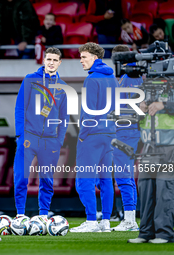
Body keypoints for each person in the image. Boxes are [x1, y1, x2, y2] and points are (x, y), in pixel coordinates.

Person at [14, 47, 69, 220]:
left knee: (47, 180)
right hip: (29, 137)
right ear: (44, 60)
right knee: (21, 177)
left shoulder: (63, 88)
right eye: (49, 59)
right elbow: (20, 108)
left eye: (55, 60)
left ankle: (43, 215)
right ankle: (20, 214)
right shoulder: (30, 79)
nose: (51, 63)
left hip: (50, 141)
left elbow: (64, 118)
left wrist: (59, 141)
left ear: (60, 63)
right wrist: (20, 136)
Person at [70, 42, 118, 233]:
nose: (81, 60)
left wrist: (82, 136)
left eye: (84, 57)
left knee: (84, 179)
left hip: (92, 135)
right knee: (106, 179)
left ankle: (91, 221)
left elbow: (89, 111)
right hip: (110, 134)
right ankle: (105, 221)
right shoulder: (112, 78)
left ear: (94, 58)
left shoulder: (91, 80)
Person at [127, 96, 174, 243]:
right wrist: (139, 106)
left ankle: (164, 234)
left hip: (169, 146)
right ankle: (145, 232)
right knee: (146, 188)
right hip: (149, 146)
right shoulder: (145, 88)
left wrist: (164, 105)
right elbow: (131, 113)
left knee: (164, 190)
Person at [110, 45, 142, 231]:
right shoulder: (127, 77)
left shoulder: (131, 78)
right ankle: (129, 218)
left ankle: (129, 220)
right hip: (125, 130)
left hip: (127, 130)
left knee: (123, 175)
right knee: (125, 175)